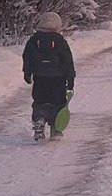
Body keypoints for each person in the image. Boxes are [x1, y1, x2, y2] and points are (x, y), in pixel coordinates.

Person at [22, 12, 75, 141]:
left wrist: (27, 73)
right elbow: (67, 61)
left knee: (40, 100)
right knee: (57, 102)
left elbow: (27, 57)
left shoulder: (34, 40)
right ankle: (56, 129)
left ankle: (39, 119)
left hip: (40, 77)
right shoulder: (60, 41)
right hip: (58, 79)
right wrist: (70, 78)